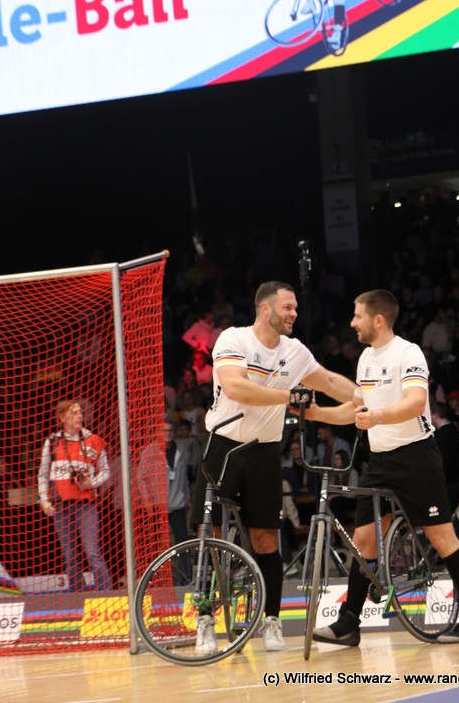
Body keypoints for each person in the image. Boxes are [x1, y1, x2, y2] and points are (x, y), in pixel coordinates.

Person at [308, 289, 459, 646]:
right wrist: (316, 414)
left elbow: (416, 402)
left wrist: (376, 416)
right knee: (363, 541)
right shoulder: (365, 358)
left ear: (378, 319)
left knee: (440, 535)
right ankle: (349, 622)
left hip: (416, 456)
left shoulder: (408, 353)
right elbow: (354, 409)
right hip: (380, 460)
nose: (352, 322)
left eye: (357, 315)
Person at [192, 280, 356, 654]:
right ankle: (205, 622)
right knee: (210, 536)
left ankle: (271, 621)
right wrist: (289, 397)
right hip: (224, 446)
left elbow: (329, 382)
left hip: (265, 452)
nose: (294, 313)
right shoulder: (233, 340)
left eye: (295, 307)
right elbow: (235, 386)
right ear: (265, 309)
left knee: (266, 540)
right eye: (287, 307)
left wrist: (370, 395)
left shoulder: (294, 351)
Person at [37, 400, 113, 592]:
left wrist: (92, 483)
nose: (79, 416)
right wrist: (44, 500)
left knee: (92, 552)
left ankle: (107, 594)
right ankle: (78, 597)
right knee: (70, 556)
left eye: (80, 412)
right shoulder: (52, 441)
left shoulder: (93, 440)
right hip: (60, 505)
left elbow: (105, 471)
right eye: (74, 413)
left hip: (85, 504)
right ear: (62, 418)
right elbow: (43, 474)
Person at [137, 421, 191, 571]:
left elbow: (184, 476)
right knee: (156, 542)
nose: (167, 433)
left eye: (170, 430)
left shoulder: (180, 448)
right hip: (157, 504)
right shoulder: (149, 451)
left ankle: (185, 575)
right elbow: (141, 477)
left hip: (178, 502)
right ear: (157, 433)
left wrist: (187, 497)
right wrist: (147, 500)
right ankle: (156, 574)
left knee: (182, 539)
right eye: (164, 430)